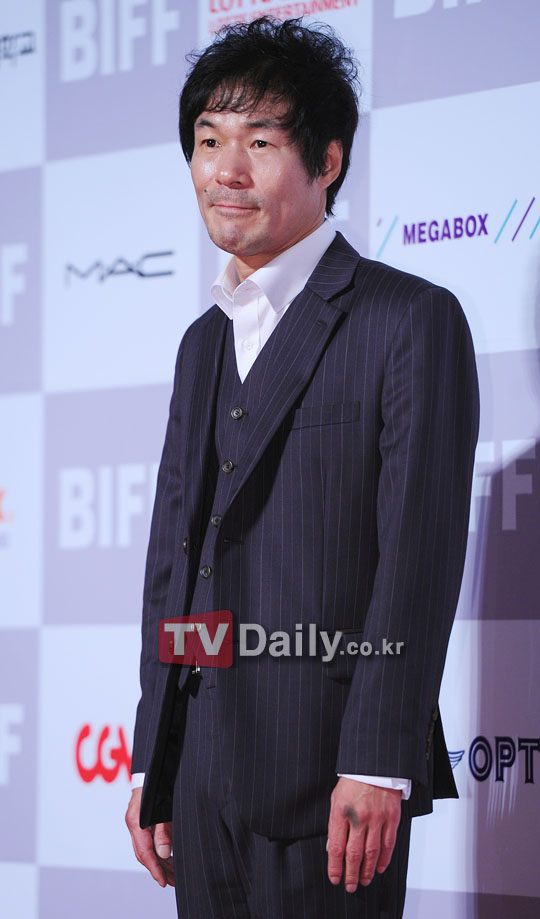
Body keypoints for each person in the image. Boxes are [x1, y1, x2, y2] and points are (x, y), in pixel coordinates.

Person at [125, 16, 479, 919]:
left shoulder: (407, 318)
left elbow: (417, 556)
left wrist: (379, 757)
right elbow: (176, 561)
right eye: (208, 139)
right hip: (198, 776)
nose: (225, 170)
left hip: (329, 775)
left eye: (259, 142)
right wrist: (153, 756)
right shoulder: (201, 343)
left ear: (327, 160)